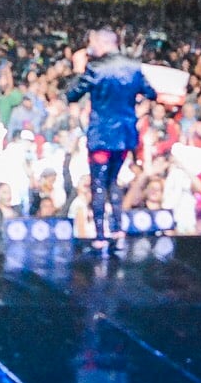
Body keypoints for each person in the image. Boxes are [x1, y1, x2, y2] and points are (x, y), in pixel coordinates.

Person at [65, 30, 158, 247]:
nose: (90, 46)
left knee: (98, 182)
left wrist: (78, 69)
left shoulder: (96, 68)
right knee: (113, 180)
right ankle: (116, 228)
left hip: (101, 135)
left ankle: (100, 235)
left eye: (92, 42)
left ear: (103, 43)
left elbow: (72, 94)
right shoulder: (134, 66)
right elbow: (151, 93)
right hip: (124, 135)